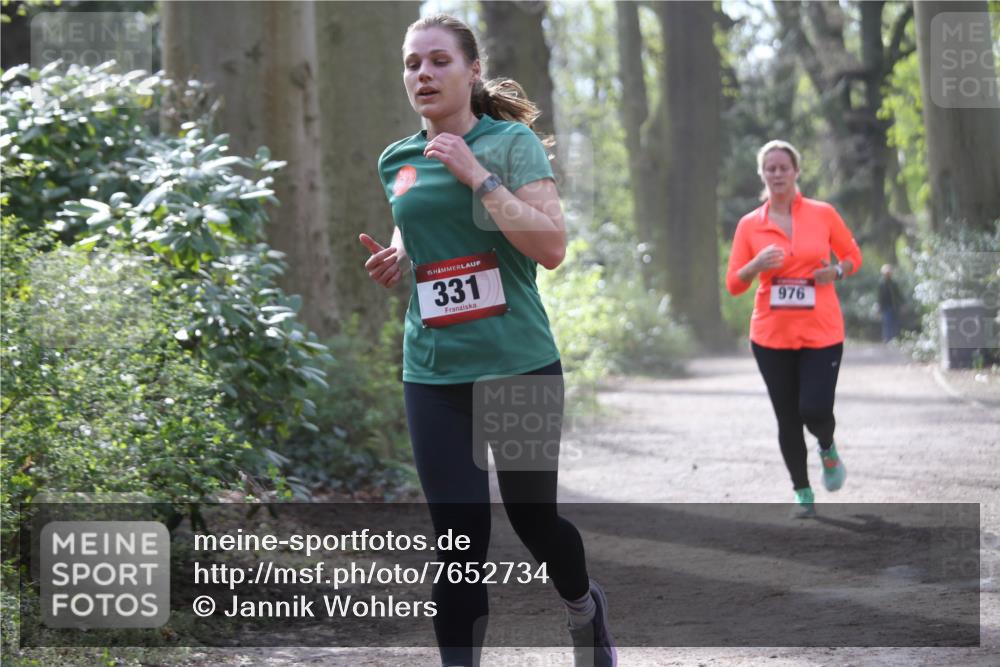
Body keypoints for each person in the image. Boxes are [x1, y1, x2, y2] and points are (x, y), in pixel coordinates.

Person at [359, 14, 615, 667]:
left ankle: (583, 607)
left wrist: (479, 174)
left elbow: (550, 246)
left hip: (520, 366)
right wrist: (398, 260)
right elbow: (414, 230)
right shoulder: (397, 159)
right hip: (434, 375)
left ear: (472, 72)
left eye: (439, 61)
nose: (423, 74)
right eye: (412, 63)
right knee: (458, 539)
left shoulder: (510, 145)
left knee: (535, 521)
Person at [725, 140, 862, 518]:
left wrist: (834, 271)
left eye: (784, 167)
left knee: (814, 407)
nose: (778, 173)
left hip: (822, 331)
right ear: (762, 174)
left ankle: (828, 447)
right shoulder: (750, 225)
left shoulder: (822, 214)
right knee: (787, 416)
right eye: (770, 168)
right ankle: (802, 490)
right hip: (771, 337)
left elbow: (853, 257)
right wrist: (755, 264)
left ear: (796, 171)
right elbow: (734, 284)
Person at [878, 263, 903, 342]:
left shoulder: (894, 283)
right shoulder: (882, 284)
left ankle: (895, 338)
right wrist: (879, 308)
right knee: (887, 322)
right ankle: (887, 338)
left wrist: (902, 304)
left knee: (895, 322)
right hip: (886, 307)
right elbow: (880, 297)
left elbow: (898, 295)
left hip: (894, 306)